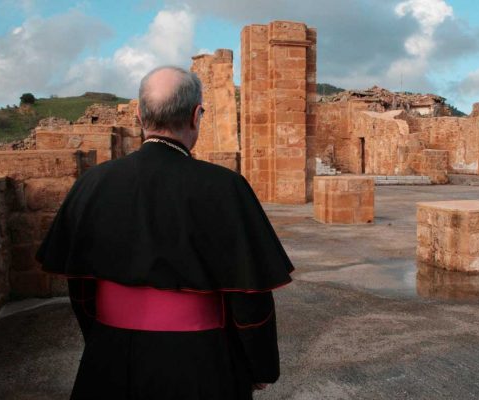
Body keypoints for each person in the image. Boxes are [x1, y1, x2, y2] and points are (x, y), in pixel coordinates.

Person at [36, 66, 294, 399]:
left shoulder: (92, 183)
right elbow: (249, 298)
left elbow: (81, 288)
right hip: (202, 361)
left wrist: (104, 339)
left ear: (139, 115)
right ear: (196, 114)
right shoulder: (225, 187)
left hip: (108, 358)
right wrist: (259, 366)